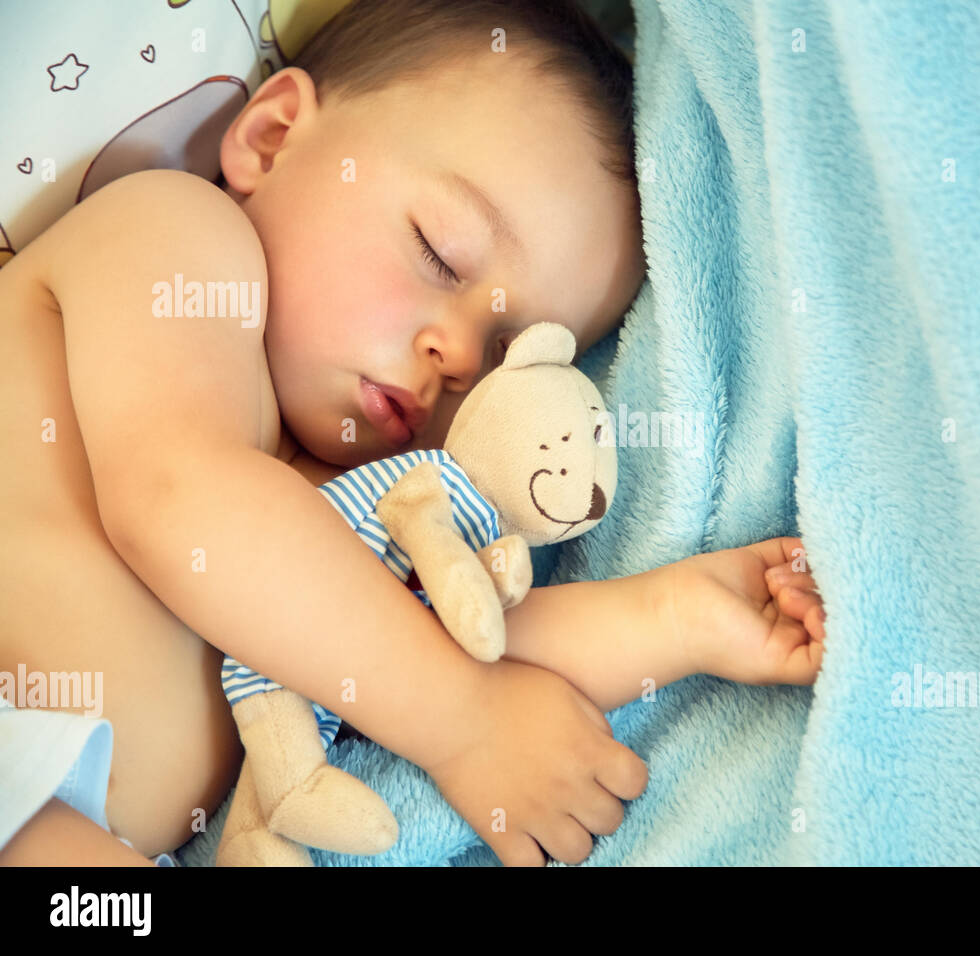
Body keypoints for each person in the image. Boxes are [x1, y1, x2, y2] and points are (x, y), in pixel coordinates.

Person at [0, 0, 826, 867]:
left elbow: (435, 646)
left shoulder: (336, 509)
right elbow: (175, 498)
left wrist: (674, 617)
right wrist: (464, 721)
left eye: (509, 351)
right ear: (274, 137)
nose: (460, 353)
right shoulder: (174, 239)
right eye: (441, 253)